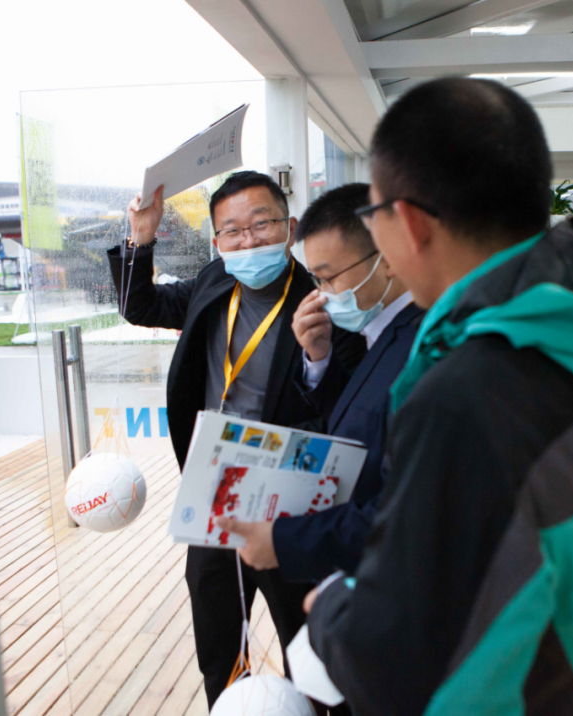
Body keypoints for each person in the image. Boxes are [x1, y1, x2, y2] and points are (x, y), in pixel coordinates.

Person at [304, 78, 573, 715]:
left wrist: (332, 611)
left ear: (410, 224)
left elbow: (397, 668)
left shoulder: (463, 396)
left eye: (374, 214)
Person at [109, 171, 365, 708]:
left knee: (306, 644)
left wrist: (318, 358)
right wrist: (141, 237)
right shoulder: (214, 281)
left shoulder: (323, 299)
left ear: (290, 226)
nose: (248, 241)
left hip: (287, 493)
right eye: (232, 230)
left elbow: (348, 407)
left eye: (261, 224)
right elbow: (140, 306)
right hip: (215, 486)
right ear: (217, 240)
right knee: (218, 637)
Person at [214, 182, 424, 583]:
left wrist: (285, 541)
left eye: (329, 278)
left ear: (387, 259)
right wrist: (319, 357)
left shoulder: (420, 349)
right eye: (317, 281)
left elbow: (403, 508)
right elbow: (357, 413)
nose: (323, 296)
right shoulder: (381, 333)